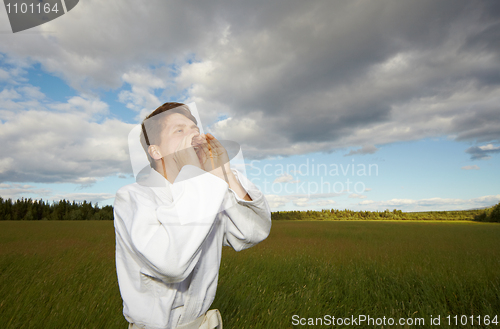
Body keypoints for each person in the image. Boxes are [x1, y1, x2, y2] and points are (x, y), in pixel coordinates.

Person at [114, 102, 271, 329]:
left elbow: (253, 232)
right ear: (156, 150)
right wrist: (201, 178)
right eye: (179, 131)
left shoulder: (209, 190)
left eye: (194, 130)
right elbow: (171, 264)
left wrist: (224, 173)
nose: (194, 137)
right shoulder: (133, 197)